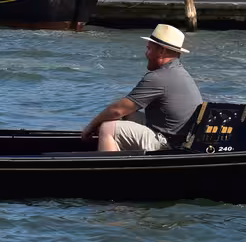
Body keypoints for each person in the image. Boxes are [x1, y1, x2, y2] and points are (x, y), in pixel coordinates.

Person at [82, 23, 202, 154]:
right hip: (181, 138)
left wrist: (91, 126)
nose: (146, 54)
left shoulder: (158, 77)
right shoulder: (180, 73)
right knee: (128, 114)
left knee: (107, 128)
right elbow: (124, 109)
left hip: (170, 144)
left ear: (162, 51)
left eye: (149, 49)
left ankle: (111, 170)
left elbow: (117, 110)